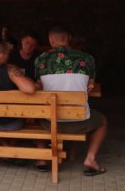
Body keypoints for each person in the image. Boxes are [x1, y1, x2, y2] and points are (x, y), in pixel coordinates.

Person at [35, 25, 107, 176]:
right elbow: (90, 86)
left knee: (36, 116)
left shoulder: (41, 60)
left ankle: (42, 157)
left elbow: (39, 87)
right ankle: (90, 158)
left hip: (50, 123)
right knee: (102, 122)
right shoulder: (87, 58)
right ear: (69, 38)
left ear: (51, 40)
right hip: (80, 122)